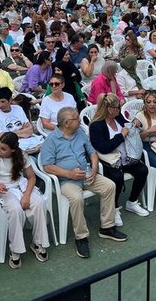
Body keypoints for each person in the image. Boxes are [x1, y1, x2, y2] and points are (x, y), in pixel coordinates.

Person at [39, 106, 126, 259]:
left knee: (109, 186)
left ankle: (107, 227)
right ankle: (81, 237)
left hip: (86, 174)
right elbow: (47, 166)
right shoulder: (51, 140)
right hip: (67, 180)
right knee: (77, 198)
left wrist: (93, 169)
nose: (80, 121)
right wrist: (69, 174)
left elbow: (92, 152)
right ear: (66, 123)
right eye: (77, 119)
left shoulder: (79, 133)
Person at [0, 132, 50, 269]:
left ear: (12, 150)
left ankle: (38, 242)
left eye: (3, 149)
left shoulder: (22, 155)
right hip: (5, 189)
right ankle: (15, 250)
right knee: (15, 210)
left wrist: (26, 195)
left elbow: (31, 177)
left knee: (39, 203)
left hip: (22, 186)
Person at [89, 94, 150, 223]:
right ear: (109, 109)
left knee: (142, 170)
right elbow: (103, 148)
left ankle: (132, 202)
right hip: (108, 161)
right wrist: (121, 136)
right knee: (117, 177)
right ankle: (114, 207)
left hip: (125, 157)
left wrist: (134, 123)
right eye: (118, 107)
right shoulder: (96, 126)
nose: (120, 109)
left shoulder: (118, 117)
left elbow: (129, 127)